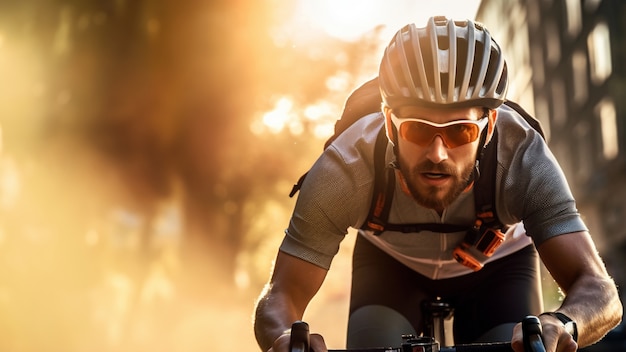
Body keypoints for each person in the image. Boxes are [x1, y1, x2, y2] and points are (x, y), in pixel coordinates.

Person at [253, 16, 622, 352]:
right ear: (389, 123)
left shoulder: (523, 158)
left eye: (461, 131)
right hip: (390, 265)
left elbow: (599, 290)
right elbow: (281, 293)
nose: (438, 154)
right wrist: (286, 339)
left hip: (499, 268)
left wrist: (563, 323)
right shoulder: (345, 169)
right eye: (417, 129)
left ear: (490, 125)